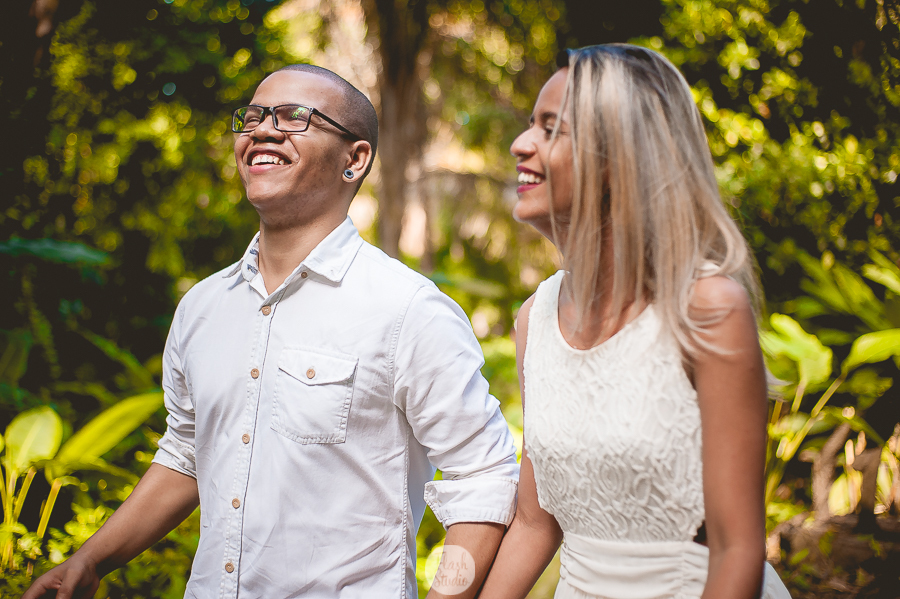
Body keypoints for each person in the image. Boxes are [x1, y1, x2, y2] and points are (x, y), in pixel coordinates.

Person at [24, 64, 518, 599]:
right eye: (253, 116)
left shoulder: (408, 310)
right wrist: (90, 561)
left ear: (355, 159)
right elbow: (187, 453)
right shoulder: (202, 307)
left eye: (294, 117)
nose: (262, 129)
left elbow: (484, 478)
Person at [479, 45, 792, 599]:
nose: (521, 144)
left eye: (552, 128)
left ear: (617, 157)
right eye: (532, 124)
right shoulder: (535, 320)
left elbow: (737, 549)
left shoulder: (707, 309)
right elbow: (534, 521)